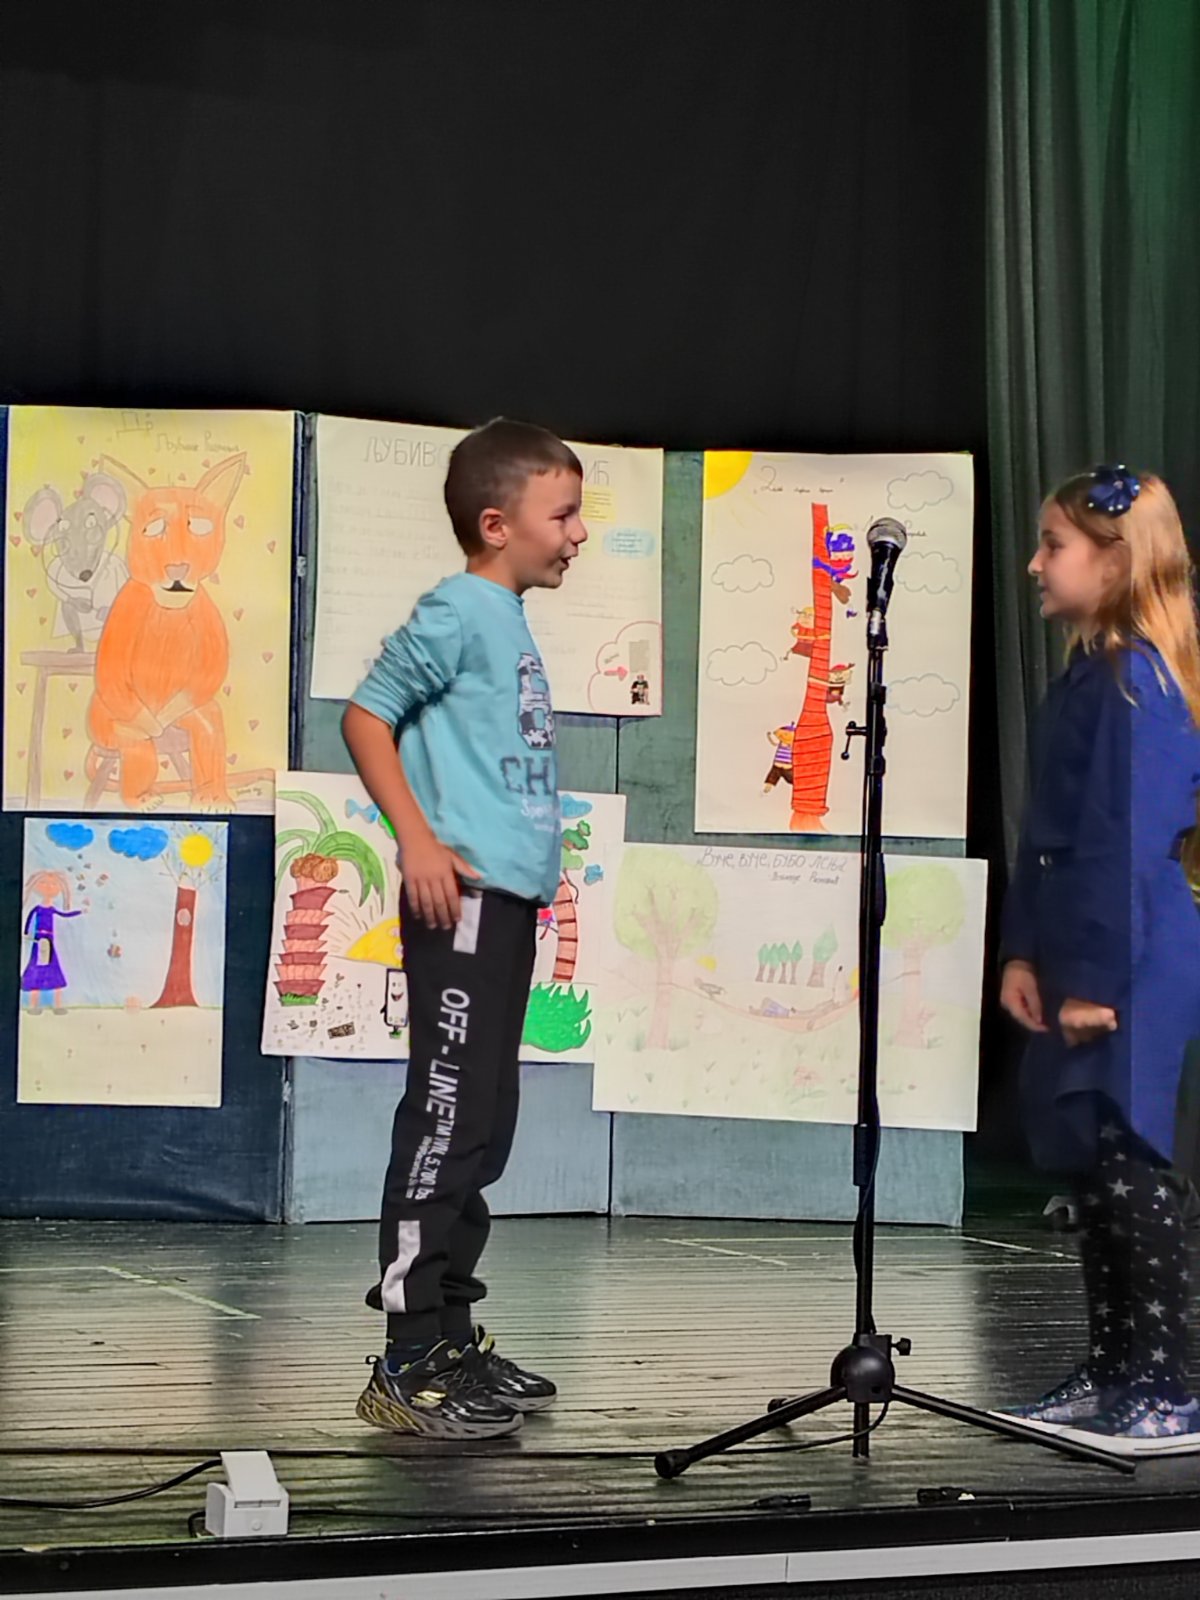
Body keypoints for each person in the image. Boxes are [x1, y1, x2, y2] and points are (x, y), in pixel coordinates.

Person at [342, 418, 587, 1439]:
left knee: (483, 1122)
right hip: (464, 902)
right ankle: (406, 1358)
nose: (577, 534)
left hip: (508, 903)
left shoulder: (506, 618)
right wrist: (419, 840)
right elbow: (366, 716)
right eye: (562, 515)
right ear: (497, 524)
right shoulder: (459, 609)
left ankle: (450, 1336)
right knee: (445, 1117)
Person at [999, 465, 1200, 1448]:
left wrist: (1092, 980)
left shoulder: (1139, 683)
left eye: (1055, 545)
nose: (1036, 564)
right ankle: (1115, 1362)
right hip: (1082, 944)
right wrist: (1023, 951)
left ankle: (1169, 1379)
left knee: (1130, 1156)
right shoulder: (1091, 673)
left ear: (1117, 562)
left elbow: (1126, 840)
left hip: (1128, 951)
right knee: (1090, 1156)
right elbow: (1051, 830)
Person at [21, 870, 82, 1013]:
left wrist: (79, 912)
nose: (48, 887)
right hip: (39, 942)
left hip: (49, 942)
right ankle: (34, 1006)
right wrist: (26, 933)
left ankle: (57, 1006)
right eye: (43, 883)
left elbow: (64, 914)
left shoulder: (52, 909)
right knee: (36, 969)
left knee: (53, 970)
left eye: (53, 884)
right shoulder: (37, 909)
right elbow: (29, 920)